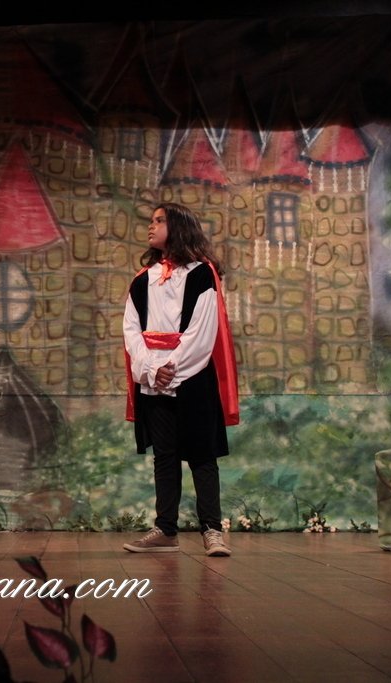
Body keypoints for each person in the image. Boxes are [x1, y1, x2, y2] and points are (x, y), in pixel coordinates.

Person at [121, 202, 239, 557]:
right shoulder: (143, 279)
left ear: (179, 226)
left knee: (202, 455)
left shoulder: (201, 274)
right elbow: (131, 330)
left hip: (192, 378)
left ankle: (212, 530)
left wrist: (171, 368)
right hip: (153, 380)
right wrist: (151, 369)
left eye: (159, 221)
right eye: (151, 220)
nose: (151, 226)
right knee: (165, 456)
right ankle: (166, 530)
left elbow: (203, 330)